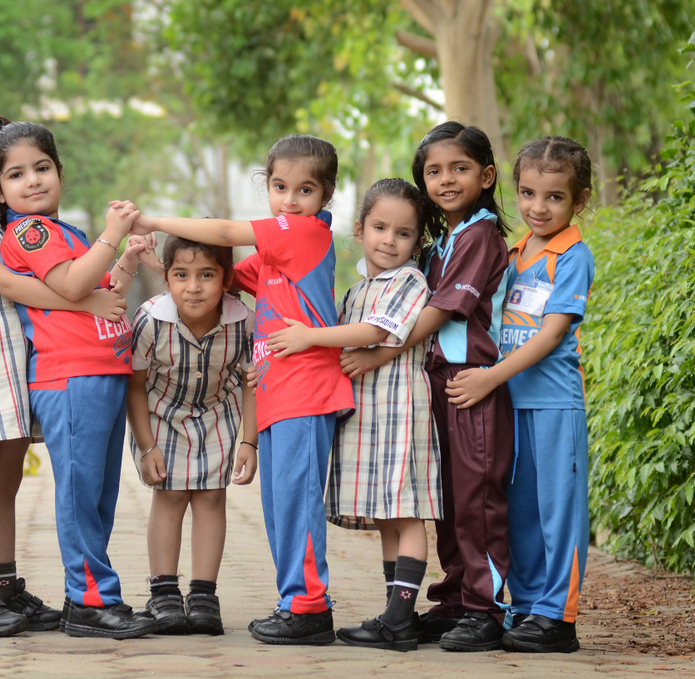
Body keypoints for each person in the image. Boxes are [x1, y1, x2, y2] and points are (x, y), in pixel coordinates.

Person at [131, 134, 354, 645]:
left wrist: (156, 221)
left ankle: (310, 608)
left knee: (296, 506)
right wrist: (158, 263)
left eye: (305, 190)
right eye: (279, 187)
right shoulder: (276, 256)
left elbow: (226, 231)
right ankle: (292, 601)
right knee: (280, 510)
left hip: (306, 392)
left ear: (326, 196)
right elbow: (219, 279)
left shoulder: (301, 234)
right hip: (278, 394)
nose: (290, 200)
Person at [0, 113, 128, 637]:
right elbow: (12, 287)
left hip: (18, 366)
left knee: (7, 478)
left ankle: (6, 585)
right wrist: (86, 301)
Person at [341, 122, 515, 652]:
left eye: (459, 169)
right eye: (433, 171)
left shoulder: (481, 235)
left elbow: (441, 312)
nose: (445, 180)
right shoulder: (443, 242)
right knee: (450, 500)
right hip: (437, 383)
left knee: (478, 500)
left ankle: (488, 610)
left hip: (471, 382)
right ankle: (455, 600)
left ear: (486, 176)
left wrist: (380, 352)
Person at [0, 121, 156, 639]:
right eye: (16, 175)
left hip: (101, 370)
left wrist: (124, 259)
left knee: (101, 493)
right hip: (71, 376)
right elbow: (74, 283)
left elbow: (103, 294)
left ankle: (88, 592)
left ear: (60, 173)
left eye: (42, 168)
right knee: (81, 491)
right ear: (0, 191)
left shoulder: (67, 233)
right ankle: (89, 599)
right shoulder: (29, 231)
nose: (33, 181)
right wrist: (112, 234)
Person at [267, 178, 443, 651]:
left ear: (417, 242)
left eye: (403, 233)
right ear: (360, 229)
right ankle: (393, 615)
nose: (389, 240)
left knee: (406, 514)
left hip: (401, 405)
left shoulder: (410, 281)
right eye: (380, 227)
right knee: (388, 515)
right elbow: (343, 343)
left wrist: (308, 336)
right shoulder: (357, 289)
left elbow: (370, 333)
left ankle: (401, 618)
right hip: (369, 411)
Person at [445, 137, 594, 653]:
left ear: (579, 201)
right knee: (522, 512)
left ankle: (559, 617)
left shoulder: (572, 256)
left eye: (554, 197)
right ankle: (527, 606)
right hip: (510, 407)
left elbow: (551, 335)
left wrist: (489, 376)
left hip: (553, 405)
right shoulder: (511, 254)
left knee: (558, 512)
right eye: (528, 193)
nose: (537, 207)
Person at [126, 236, 258, 637]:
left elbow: (253, 382)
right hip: (161, 413)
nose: (194, 286)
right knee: (169, 494)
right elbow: (134, 385)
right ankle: (164, 592)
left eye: (207, 275)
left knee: (211, 496)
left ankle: (203, 595)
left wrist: (249, 442)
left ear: (226, 279)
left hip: (217, 410)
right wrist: (146, 446)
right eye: (181, 275)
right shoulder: (150, 321)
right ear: (166, 278)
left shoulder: (243, 320)